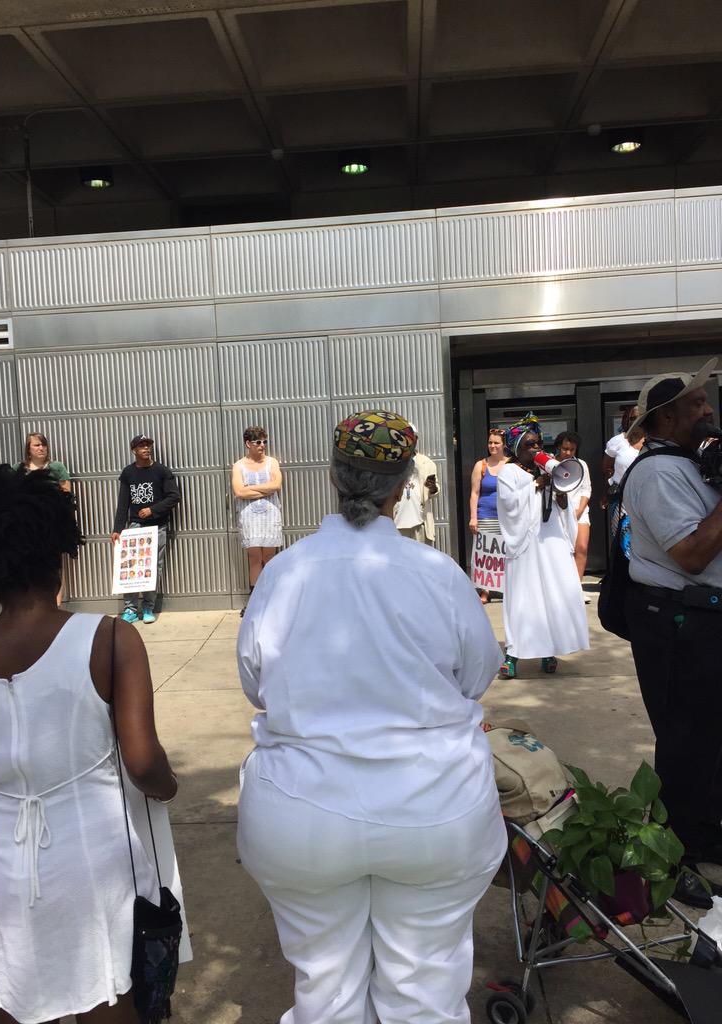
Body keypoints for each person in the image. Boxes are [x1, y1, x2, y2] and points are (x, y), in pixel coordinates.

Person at [237, 409, 507, 1024]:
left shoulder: (282, 572)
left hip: (302, 816)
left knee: (325, 990)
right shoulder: (438, 573)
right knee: (426, 993)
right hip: (435, 810)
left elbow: (256, 686)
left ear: (334, 478)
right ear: (404, 484)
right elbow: (476, 675)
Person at [0, 458, 178, 1024]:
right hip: (91, 856)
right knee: (107, 996)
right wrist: (167, 786)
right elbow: (143, 762)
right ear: (59, 550)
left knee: (12, 996)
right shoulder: (107, 637)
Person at [622, 358, 722, 909]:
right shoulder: (658, 473)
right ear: (664, 418)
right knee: (685, 744)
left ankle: (703, 841)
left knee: (709, 741)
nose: (707, 409)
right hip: (679, 624)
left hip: (700, 620)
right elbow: (691, 553)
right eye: (695, 403)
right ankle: (672, 860)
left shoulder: (689, 463)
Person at [496, 413, 589, 679]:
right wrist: (535, 486)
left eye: (538, 443)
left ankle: (549, 650)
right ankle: (513, 653)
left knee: (553, 596)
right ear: (516, 448)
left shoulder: (546, 467)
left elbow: (563, 508)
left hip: (550, 540)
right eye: (529, 444)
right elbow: (509, 505)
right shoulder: (508, 472)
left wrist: (559, 491)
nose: (536, 448)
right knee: (524, 598)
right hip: (525, 544)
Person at [111, 434, 180, 625]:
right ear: (133, 450)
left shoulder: (161, 471)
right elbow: (123, 503)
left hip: (157, 527)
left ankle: (148, 607)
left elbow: (174, 496)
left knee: (153, 567)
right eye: (141, 446)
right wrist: (118, 528)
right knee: (131, 567)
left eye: (148, 445)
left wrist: (152, 510)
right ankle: (130, 609)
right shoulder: (128, 473)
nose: (146, 448)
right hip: (135, 527)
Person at [231, 425, 283, 616]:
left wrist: (250, 489)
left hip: (270, 514)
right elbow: (239, 492)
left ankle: (273, 598)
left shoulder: (272, 462)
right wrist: (265, 489)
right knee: (254, 558)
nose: (262, 445)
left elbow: (276, 485)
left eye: (264, 441)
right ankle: (254, 601)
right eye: (258, 442)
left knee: (269, 558)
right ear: (248, 444)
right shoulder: (239, 465)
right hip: (249, 516)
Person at [19, 433, 72, 606]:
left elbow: (67, 493)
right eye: (36, 445)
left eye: (43, 445)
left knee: (54, 565)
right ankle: (33, 606)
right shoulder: (19, 468)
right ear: (28, 449)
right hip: (27, 527)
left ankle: (55, 607)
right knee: (29, 565)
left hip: (52, 524)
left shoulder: (56, 467)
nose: (41, 448)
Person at [468, 428, 509, 603]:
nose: (492, 446)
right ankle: (485, 592)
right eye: (490, 442)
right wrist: (473, 517)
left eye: (496, 443)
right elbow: (474, 493)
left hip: (507, 518)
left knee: (506, 554)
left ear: (503, 445)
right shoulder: (481, 465)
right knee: (485, 555)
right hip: (485, 516)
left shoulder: (511, 464)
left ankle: (507, 589)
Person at [554, 430, 592, 601]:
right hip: (557, 513)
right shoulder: (550, 464)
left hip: (579, 511)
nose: (568, 452)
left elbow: (586, 489)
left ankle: (576, 589)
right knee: (560, 551)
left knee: (581, 548)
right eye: (565, 448)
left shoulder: (581, 464)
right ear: (558, 447)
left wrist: (579, 511)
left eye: (572, 449)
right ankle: (560, 589)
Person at [601, 407, 645, 546]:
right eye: (633, 418)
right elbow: (606, 468)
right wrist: (607, 491)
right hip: (622, 500)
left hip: (647, 499)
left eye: (640, 417)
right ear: (627, 420)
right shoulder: (617, 441)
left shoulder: (653, 441)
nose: (636, 421)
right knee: (624, 543)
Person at [393, 433, 439, 544]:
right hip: (396, 523)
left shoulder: (427, 463)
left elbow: (435, 489)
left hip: (419, 522)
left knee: (421, 554)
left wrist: (432, 487)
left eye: (412, 437)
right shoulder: (392, 461)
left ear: (416, 439)